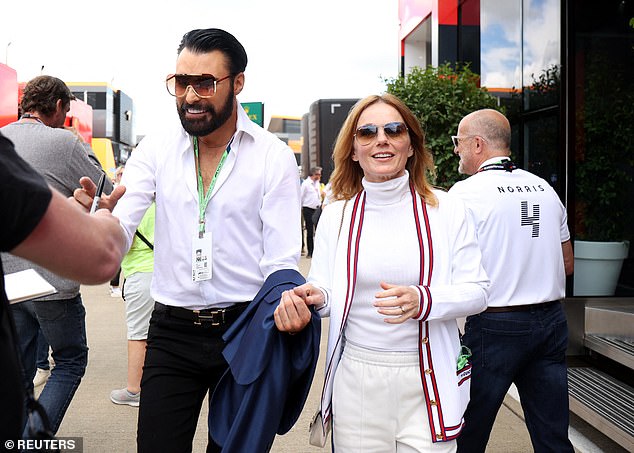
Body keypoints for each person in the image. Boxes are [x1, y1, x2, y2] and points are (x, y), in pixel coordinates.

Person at [73, 28, 318, 452]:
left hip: (244, 329)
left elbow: (281, 258)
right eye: (181, 83)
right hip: (172, 330)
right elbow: (122, 223)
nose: (190, 96)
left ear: (237, 82)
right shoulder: (157, 149)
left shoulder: (271, 155)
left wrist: (289, 301)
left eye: (204, 83)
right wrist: (98, 223)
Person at [276, 94, 489, 451]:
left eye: (394, 129)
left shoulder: (447, 208)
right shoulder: (337, 215)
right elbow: (327, 290)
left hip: (429, 377)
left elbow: (478, 291)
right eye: (367, 133)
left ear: (410, 145)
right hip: (357, 380)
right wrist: (315, 296)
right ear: (353, 150)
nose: (381, 139)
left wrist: (423, 299)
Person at [448, 109, 575, 453]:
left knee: (467, 432)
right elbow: (567, 263)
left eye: (459, 142)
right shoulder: (545, 188)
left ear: (477, 144)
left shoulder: (464, 194)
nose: (456, 150)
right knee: (552, 435)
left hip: (494, 325)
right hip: (550, 321)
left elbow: (446, 266)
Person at [1, 75, 115, 438]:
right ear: (59, 107)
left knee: (19, 369)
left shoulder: (4, 139)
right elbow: (105, 191)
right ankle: (33, 441)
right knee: (69, 361)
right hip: (52, 278)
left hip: (10, 281)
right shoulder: (64, 142)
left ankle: (15, 436)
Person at [110, 203, 155, 407]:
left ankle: (134, 389)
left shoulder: (134, 208)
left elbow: (122, 244)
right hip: (167, 275)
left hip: (141, 273)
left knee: (138, 335)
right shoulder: (162, 204)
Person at [300, 166, 324, 257]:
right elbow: (301, 196)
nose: (320, 176)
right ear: (314, 174)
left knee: (318, 230)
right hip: (308, 208)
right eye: (318, 174)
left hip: (317, 208)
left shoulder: (317, 183)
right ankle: (310, 251)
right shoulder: (306, 184)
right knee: (310, 231)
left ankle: (318, 251)